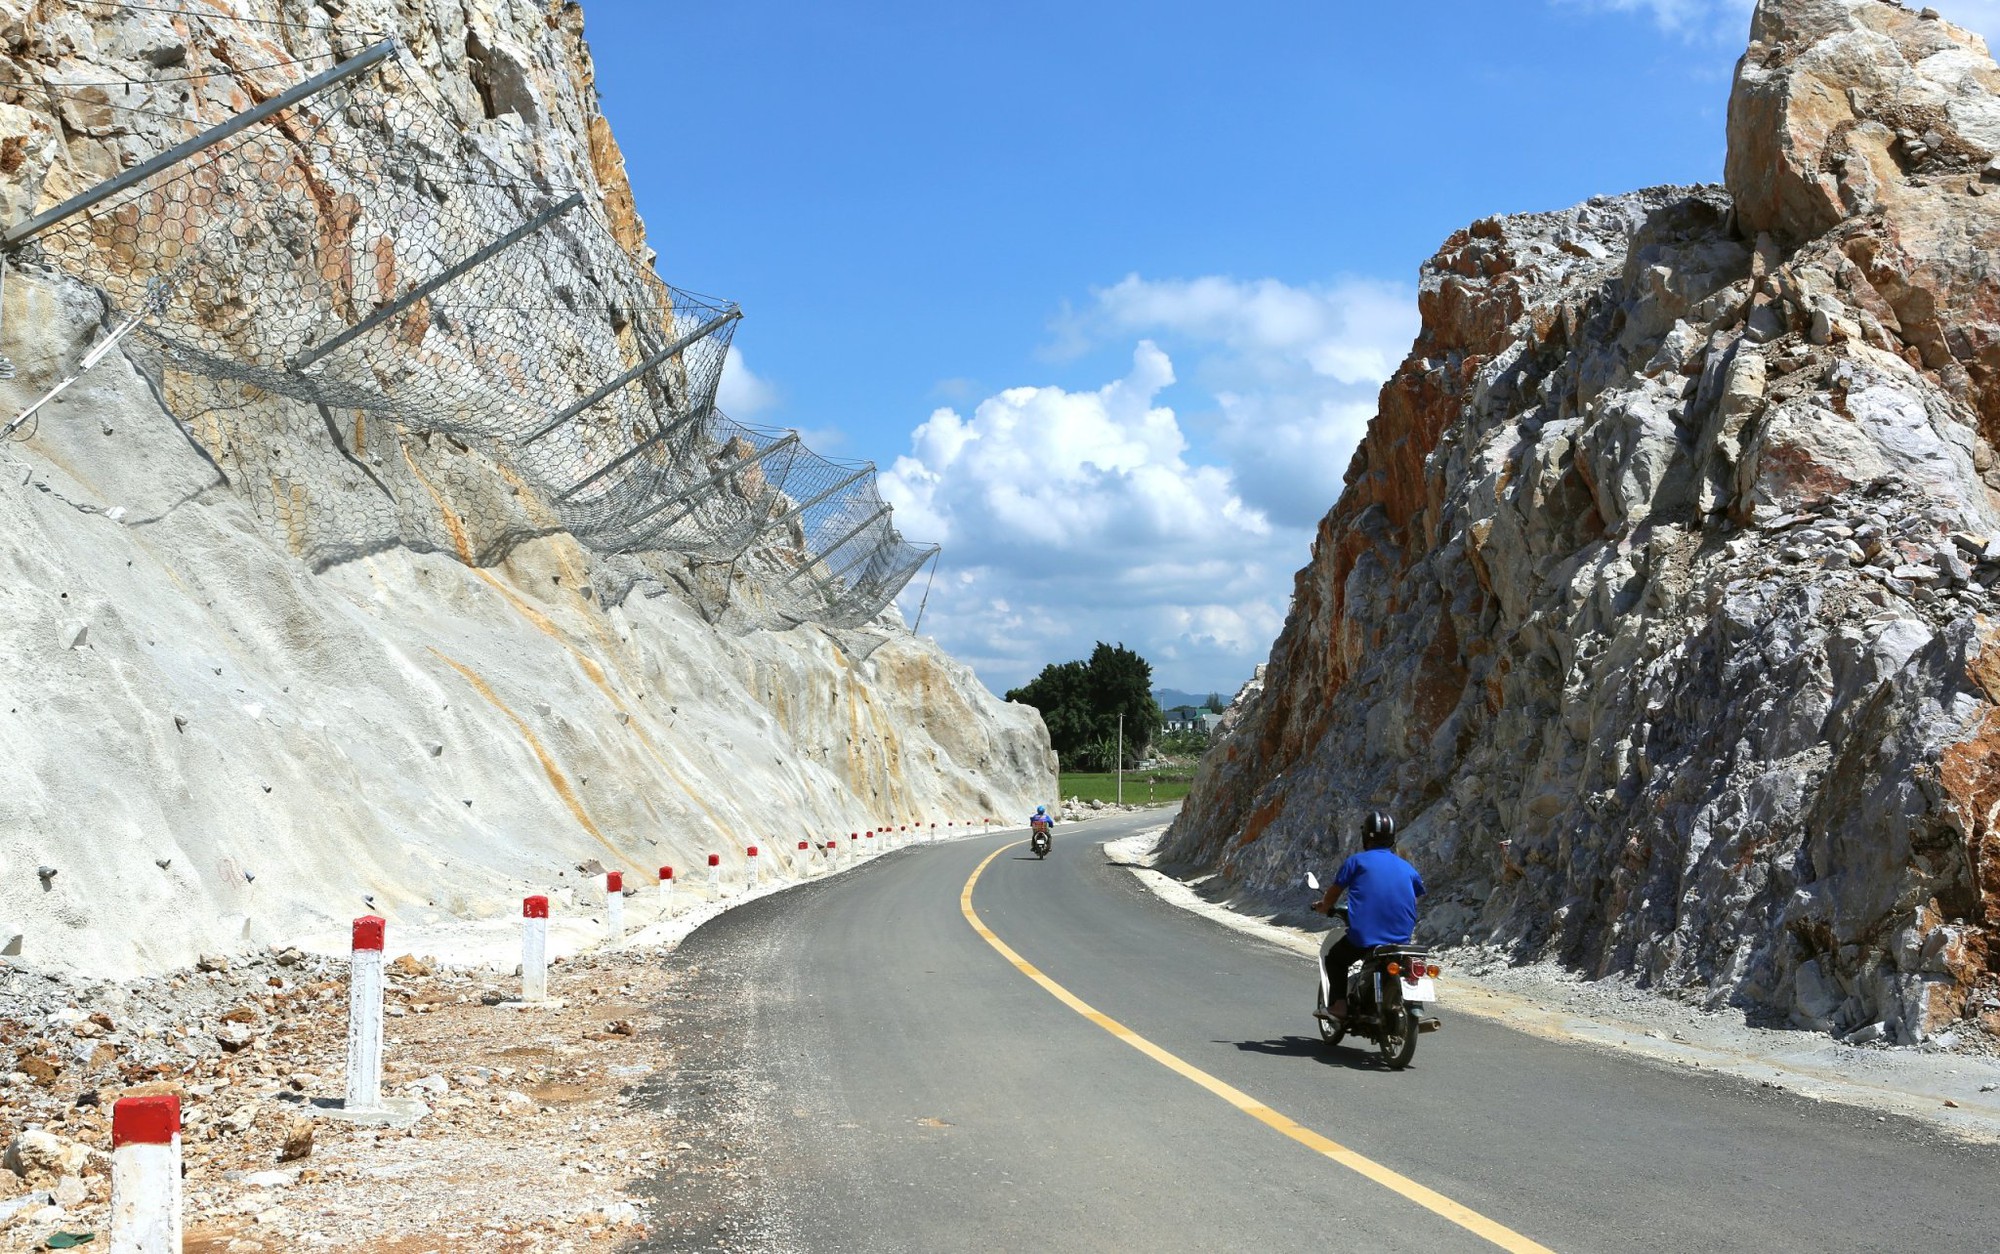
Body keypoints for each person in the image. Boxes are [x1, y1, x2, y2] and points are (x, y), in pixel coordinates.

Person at [1312, 810, 1425, 1022]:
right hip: (1401, 938)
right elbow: (1416, 893)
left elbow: (1334, 892)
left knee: (1335, 959)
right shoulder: (1407, 868)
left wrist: (1325, 906)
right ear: (1392, 838)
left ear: (1366, 836)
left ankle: (1339, 1006)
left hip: (1366, 935)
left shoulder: (1356, 862)